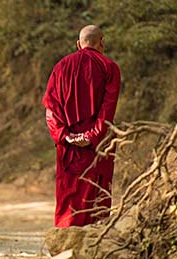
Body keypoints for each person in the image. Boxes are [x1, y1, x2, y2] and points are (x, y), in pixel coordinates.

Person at [42, 25, 121, 227]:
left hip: (68, 149)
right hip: (97, 146)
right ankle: (93, 249)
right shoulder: (109, 67)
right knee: (97, 200)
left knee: (69, 199)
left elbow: (51, 109)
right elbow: (107, 109)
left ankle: (65, 245)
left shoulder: (60, 67)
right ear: (102, 42)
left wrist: (65, 136)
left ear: (79, 44)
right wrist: (92, 136)